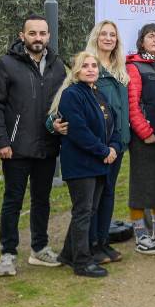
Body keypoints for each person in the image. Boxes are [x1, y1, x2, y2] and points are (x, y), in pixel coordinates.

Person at [0, 14, 65, 276]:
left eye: (42, 33)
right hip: (16, 147)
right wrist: (1, 140)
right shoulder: (7, 64)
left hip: (47, 145)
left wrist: (59, 125)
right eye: (32, 33)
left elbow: (62, 104)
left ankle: (40, 248)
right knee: (13, 201)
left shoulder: (58, 66)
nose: (38, 38)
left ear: (48, 36)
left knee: (42, 200)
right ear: (22, 36)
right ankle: (8, 254)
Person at [54, 52, 122, 278]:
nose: (91, 69)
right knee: (83, 211)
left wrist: (113, 147)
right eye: (85, 66)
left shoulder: (98, 94)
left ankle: (67, 253)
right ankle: (82, 262)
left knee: (88, 210)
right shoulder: (71, 95)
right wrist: (103, 150)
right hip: (81, 163)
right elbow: (78, 130)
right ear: (76, 71)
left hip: (100, 163)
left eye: (94, 65)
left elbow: (111, 125)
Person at [73, 20, 131, 265]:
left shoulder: (120, 69)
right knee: (92, 200)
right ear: (96, 37)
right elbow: (65, 101)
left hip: (118, 144)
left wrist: (122, 141)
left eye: (113, 35)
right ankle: (90, 245)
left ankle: (102, 240)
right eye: (103, 34)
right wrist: (53, 122)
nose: (108, 38)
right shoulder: (88, 65)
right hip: (97, 146)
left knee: (108, 194)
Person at [125, 24, 155, 254]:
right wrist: (145, 132)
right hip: (145, 138)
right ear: (141, 41)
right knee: (141, 186)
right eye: (151, 36)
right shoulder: (134, 66)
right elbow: (132, 104)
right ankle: (140, 234)